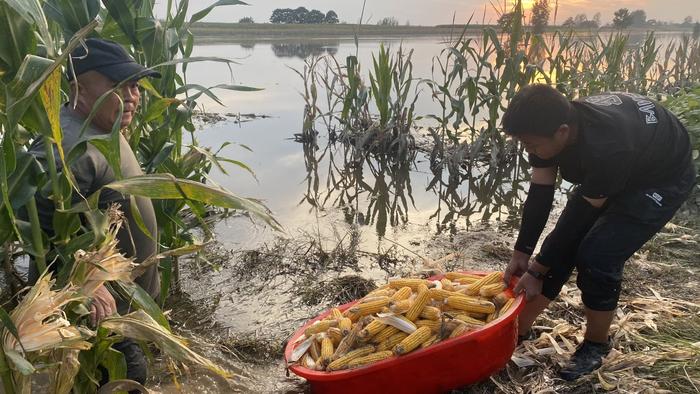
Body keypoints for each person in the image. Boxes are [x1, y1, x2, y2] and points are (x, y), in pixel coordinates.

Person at [501, 84, 695, 380]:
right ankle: (518, 330)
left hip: (660, 178)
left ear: (562, 132)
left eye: (531, 145)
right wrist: (522, 251)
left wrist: (538, 269)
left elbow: (581, 214)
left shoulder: (608, 147)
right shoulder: (547, 128)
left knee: (597, 255)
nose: (529, 151)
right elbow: (540, 193)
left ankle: (596, 345)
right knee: (562, 247)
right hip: (626, 161)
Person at [28, 38, 162, 386]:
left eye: (135, 85)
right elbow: (35, 227)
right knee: (125, 380)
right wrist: (80, 279)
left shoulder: (104, 126)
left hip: (123, 309)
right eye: (119, 85)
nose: (133, 95)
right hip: (98, 320)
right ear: (78, 88)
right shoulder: (68, 146)